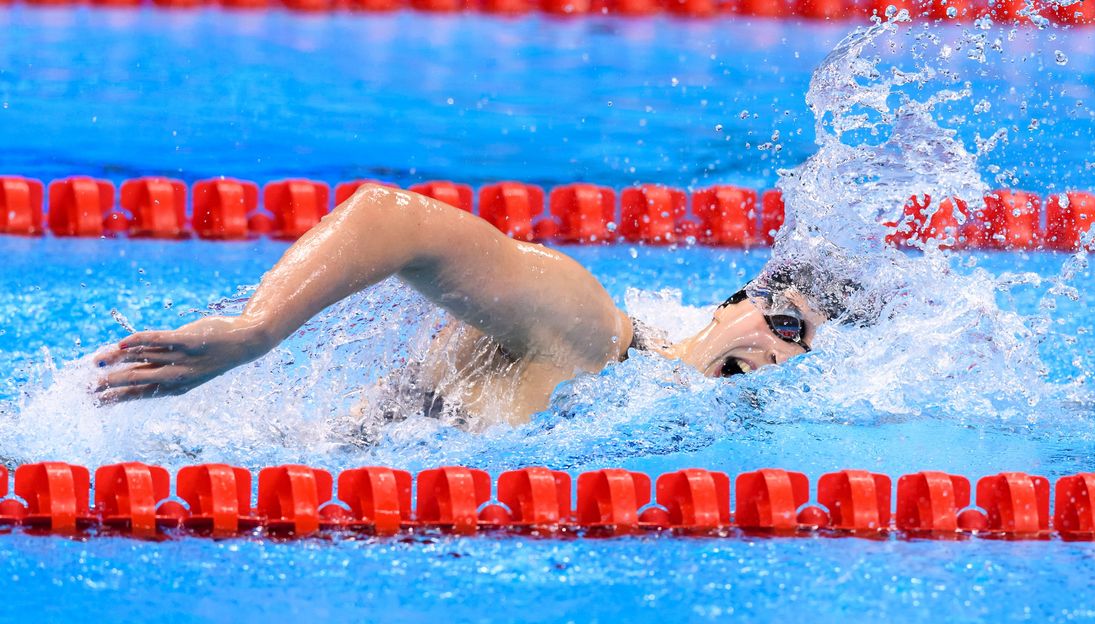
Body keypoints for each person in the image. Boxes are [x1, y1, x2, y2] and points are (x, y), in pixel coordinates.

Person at [93, 184, 843, 426]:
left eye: (807, 354)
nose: (783, 359)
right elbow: (394, 218)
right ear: (733, 303)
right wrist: (259, 331)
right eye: (785, 325)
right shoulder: (593, 335)